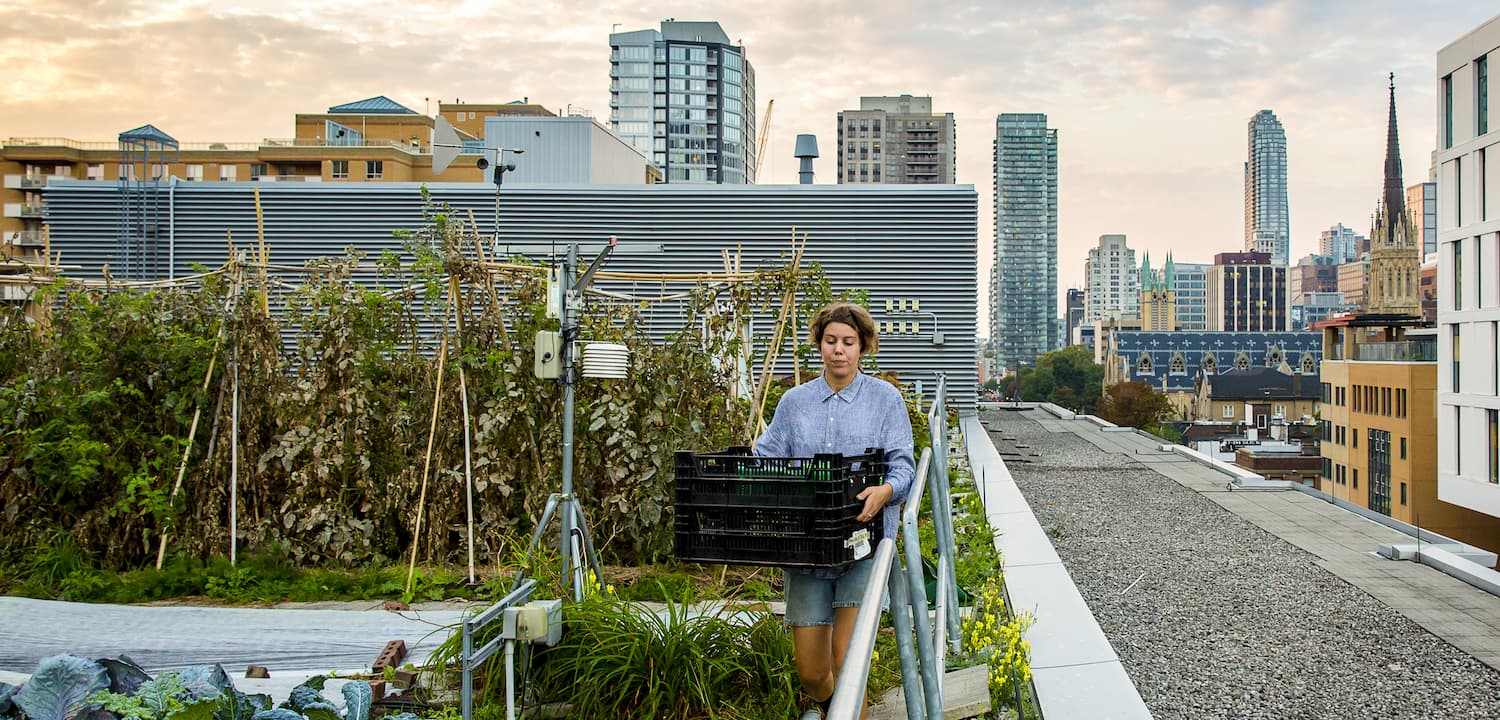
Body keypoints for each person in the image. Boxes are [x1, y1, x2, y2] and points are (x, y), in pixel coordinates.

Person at [754, 302, 916, 719]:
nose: (838, 350)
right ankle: (832, 710)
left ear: (863, 347)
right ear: (819, 344)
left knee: (847, 659)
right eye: (830, 341)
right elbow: (766, 456)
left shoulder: (885, 400)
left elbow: (904, 466)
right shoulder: (795, 402)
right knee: (811, 671)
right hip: (806, 547)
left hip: (863, 543)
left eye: (848, 342)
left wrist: (886, 491)